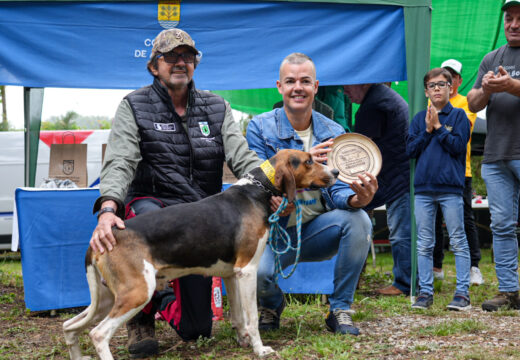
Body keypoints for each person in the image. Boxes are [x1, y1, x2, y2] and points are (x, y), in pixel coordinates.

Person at [89, 28, 262, 358]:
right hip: (150, 204)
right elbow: (120, 160)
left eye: (188, 57)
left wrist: (269, 187)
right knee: (148, 221)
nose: (180, 63)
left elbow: (244, 157)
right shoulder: (133, 105)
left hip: (201, 218)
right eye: (171, 57)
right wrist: (109, 207)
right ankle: (139, 318)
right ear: (154, 66)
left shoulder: (217, 107)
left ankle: (161, 295)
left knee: (195, 331)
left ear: (195, 64)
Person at [246, 53, 378, 335]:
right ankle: (271, 304)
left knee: (360, 220)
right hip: (275, 231)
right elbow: (256, 183)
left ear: (316, 86)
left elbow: (339, 190)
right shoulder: (260, 127)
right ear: (279, 86)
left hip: (318, 231)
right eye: (290, 81)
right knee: (259, 274)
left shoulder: (334, 131)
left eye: (305, 81)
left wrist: (359, 199)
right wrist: (302, 170)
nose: (298, 87)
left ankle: (339, 308)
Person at [467, 0, 520, 311]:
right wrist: (487, 88)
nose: (513, 25)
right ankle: (510, 291)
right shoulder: (492, 57)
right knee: (501, 225)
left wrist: (511, 85)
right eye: (509, 19)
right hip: (496, 156)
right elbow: (473, 103)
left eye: (519, 19)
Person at [406, 68, 471, 311]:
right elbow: (410, 151)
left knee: (458, 240)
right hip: (423, 189)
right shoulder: (418, 119)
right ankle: (425, 293)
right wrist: (428, 130)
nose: (437, 88)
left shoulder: (459, 117)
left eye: (442, 84)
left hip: (451, 188)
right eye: (432, 85)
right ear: (426, 91)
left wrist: (440, 128)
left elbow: (457, 147)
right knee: (424, 242)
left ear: (451, 88)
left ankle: (462, 294)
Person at [343, 82, 412, 296]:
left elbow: (361, 150)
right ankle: (409, 280)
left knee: (401, 233)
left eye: (346, 87)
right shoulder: (382, 97)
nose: (345, 92)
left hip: (400, 175)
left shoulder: (373, 105)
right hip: (402, 171)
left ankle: (405, 283)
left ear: (361, 83)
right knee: (403, 230)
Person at [432, 59, 483, 286]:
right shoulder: (430, 103)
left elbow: (462, 133)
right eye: (444, 78)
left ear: (459, 81)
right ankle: (436, 267)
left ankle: (474, 267)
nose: (448, 83)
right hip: (433, 171)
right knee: (434, 219)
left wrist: (437, 125)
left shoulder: (466, 103)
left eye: (452, 78)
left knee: (464, 219)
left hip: (461, 171)